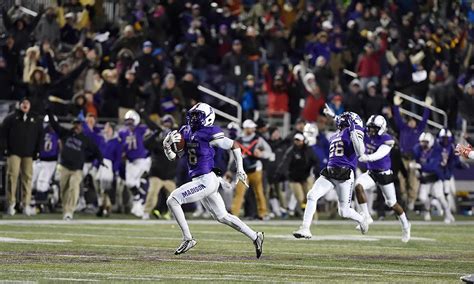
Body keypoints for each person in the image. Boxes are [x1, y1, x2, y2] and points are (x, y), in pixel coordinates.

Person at [163, 103, 264, 257]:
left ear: (208, 117)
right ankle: (256, 236)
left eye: (198, 116)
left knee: (173, 200)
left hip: (206, 180)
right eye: (193, 115)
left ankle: (188, 238)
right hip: (200, 179)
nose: (193, 119)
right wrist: (168, 147)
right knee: (223, 217)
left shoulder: (209, 132)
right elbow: (177, 156)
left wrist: (240, 169)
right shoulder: (185, 130)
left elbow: (234, 145)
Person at [293, 110, 369, 239]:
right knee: (312, 195)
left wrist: (353, 130)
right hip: (330, 171)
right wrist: (333, 116)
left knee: (344, 211)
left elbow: (360, 151)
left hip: (344, 173)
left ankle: (362, 219)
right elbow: (338, 120)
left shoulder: (354, 131)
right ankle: (305, 228)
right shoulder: (336, 134)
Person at [354, 115, 411, 243]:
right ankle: (366, 216)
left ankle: (406, 226)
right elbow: (353, 128)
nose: (370, 130)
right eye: (370, 127)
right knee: (358, 186)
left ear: (381, 128)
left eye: (374, 128)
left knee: (392, 204)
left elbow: (379, 154)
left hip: (384, 174)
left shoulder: (387, 139)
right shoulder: (366, 134)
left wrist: (367, 158)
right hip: (371, 173)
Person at [47, 112, 103, 220]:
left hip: (77, 169)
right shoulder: (65, 133)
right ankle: (65, 209)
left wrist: (100, 160)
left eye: (79, 124)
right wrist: (49, 113)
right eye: (75, 124)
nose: (77, 126)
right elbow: (54, 125)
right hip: (64, 167)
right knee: (63, 190)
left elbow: (95, 150)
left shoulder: (85, 139)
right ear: (73, 125)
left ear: (82, 126)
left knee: (74, 186)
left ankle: (69, 211)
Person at [0, 97, 42, 216]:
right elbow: (3, 134)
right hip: (14, 152)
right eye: (23, 103)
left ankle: (26, 204)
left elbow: (39, 137)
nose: (25, 105)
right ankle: (11, 203)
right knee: (12, 176)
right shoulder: (11, 118)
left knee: (27, 178)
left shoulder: (35, 119)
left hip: (28, 153)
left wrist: (37, 151)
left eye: (27, 103)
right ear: (19, 104)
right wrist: (5, 149)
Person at [392, 95, 430, 210]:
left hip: (413, 159)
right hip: (403, 159)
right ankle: (404, 199)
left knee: (413, 181)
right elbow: (397, 118)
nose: (412, 123)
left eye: (413, 121)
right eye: (410, 121)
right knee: (402, 180)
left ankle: (411, 201)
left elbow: (424, 120)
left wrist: (427, 107)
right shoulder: (403, 128)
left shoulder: (419, 130)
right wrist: (396, 106)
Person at [231, 119, 273, 220]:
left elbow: (269, 152)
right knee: (239, 193)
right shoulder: (238, 140)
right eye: (251, 127)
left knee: (259, 192)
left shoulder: (258, 139)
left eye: (254, 127)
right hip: (242, 170)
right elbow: (233, 156)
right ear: (246, 128)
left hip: (255, 168)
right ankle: (234, 214)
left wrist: (261, 154)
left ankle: (263, 213)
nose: (254, 129)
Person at [412, 132, 455, 223]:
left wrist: (420, 166)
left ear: (430, 142)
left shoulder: (437, 151)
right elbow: (417, 162)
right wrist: (418, 171)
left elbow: (432, 167)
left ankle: (448, 214)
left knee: (440, 197)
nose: (423, 144)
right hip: (425, 178)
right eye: (422, 142)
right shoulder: (418, 150)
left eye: (425, 142)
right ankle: (428, 210)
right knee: (422, 198)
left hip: (435, 177)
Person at [142, 115, 177, 220]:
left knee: (176, 197)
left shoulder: (175, 144)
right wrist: (156, 132)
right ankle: (146, 212)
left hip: (169, 176)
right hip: (156, 175)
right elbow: (146, 143)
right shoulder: (156, 142)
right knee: (152, 194)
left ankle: (175, 214)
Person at [275, 133, 319, 214]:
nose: (297, 142)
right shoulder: (291, 151)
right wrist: (280, 173)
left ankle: (313, 216)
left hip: (306, 176)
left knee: (310, 197)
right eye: (296, 140)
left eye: (299, 140)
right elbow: (285, 163)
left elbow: (315, 161)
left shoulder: (308, 150)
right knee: (300, 198)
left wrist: (316, 171)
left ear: (303, 141)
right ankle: (305, 212)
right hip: (294, 178)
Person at [119, 110, 151, 218]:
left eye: (131, 120)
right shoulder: (123, 132)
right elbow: (123, 146)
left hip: (141, 159)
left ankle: (140, 203)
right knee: (130, 183)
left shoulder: (141, 129)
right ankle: (138, 200)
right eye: (127, 121)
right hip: (130, 161)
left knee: (140, 182)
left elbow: (149, 133)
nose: (129, 123)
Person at [31, 115, 60, 212]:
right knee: (32, 182)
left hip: (51, 161)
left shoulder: (58, 133)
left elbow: (60, 148)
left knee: (42, 183)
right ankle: (31, 203)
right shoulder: (41, 132)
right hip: (40, 160)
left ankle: (41, 205)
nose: (48, 125)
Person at [96, 122, 122, 217]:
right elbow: (98, 152)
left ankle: (104, 207)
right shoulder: (102, 139)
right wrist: (96, 163)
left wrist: (114, 169)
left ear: (111, 129)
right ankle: (105, 206)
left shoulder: (116, 142)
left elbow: (118, 158)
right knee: (99, 186)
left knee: (105, 188)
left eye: (106, 127)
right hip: (101, 165)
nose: (105, 128)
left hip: (109, 165)